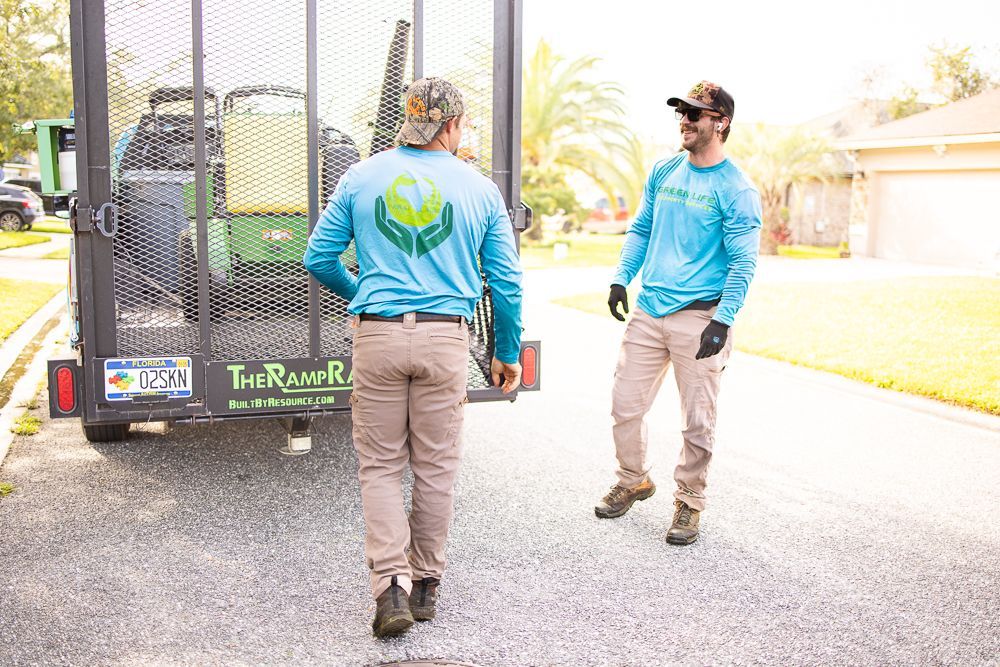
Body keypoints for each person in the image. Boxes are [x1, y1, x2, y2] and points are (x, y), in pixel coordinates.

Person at [303, 77, 523, 637]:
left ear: (411, 120)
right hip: (444, 340)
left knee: (379, 467)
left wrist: (365, 294)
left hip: (376, 337)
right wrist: (505, 351)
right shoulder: (479, 190)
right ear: (452, 125)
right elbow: (506, 281)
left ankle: (390, 590)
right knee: (435, 466)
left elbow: (319, 258)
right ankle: (426, 585)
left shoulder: (362, 176)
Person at [594, 81, 762, 546]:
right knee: (624, 407)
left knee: (697, 420)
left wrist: (723, 319)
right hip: (649, 311)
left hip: (700, 318)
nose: (685, 121)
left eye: (695, 114)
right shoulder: (665, 170)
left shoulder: (737, 189)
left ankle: (690, 501)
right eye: (682, 113)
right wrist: (621, 277)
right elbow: (642, 228)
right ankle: (633, 480)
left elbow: (744, 261)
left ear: (721, 123)